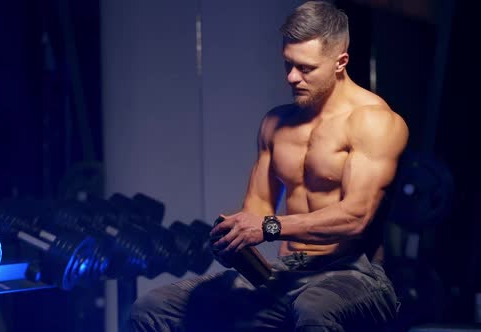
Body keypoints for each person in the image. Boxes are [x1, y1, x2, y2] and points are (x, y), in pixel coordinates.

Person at [131, 1, 408, 331]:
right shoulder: (276, 123)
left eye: (305, 68)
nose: (292, 77)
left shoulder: (373, 122)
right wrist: (236, 243)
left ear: (340, 62)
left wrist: (269, 227)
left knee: (313, 310)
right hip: (284, 271)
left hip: (355, 275)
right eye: (288, 65)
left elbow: (356, 217)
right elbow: (258, 210)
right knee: (153, 307)